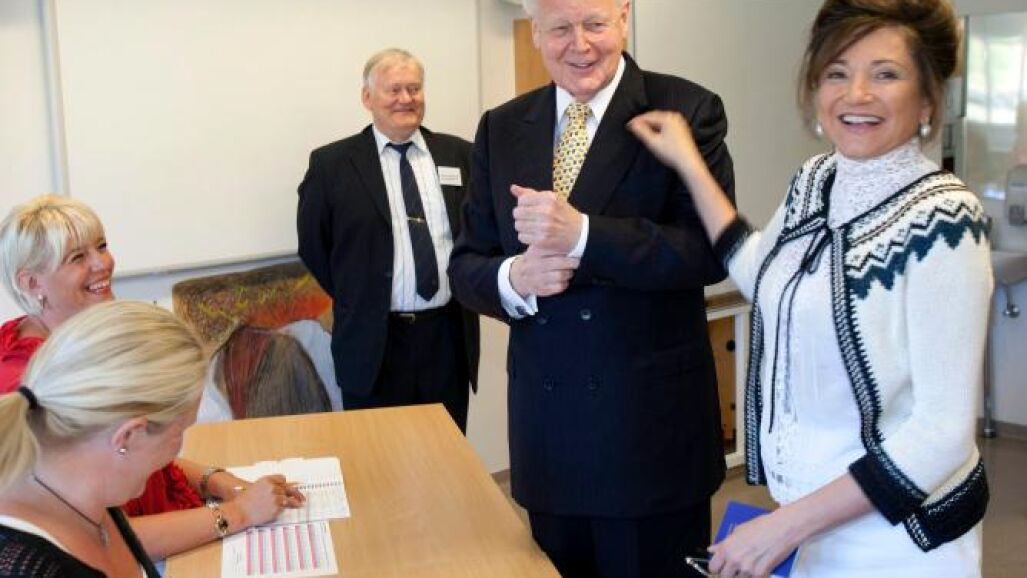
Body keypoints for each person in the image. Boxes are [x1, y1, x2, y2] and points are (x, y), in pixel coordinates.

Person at [628, 1, 989, 576]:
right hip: (808, 525)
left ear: (927, 99)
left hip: (895, 541)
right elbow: (761, 272)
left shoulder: (943, 219)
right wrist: (690, 164)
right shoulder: (816, 179)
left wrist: (783, 528)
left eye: (886, 74)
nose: (857, 94)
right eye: (837, 72)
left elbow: (941, 434)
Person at [447, 0, 734, 575]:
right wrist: (514, 278)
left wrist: (583, 234)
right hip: (549, 438)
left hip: (648, 435)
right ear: (535, 32)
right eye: (559, 28)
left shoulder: (684, 109)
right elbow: (466, 265)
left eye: (595, 24)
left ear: (624, 17)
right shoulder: (502, 127)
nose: (579, 45)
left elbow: (708, 252)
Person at [0, 195, 304, 561]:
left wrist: (217, 481)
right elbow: (97, 535)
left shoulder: (82, 338)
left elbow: (134, 447)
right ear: (31, 282)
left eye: (101, 246)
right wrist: (238, 513)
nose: (102, 264)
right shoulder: (28, 384)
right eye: (77, 257)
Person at [297, 48, 480, 431]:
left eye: (414, 88)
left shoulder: (460, 155)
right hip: (372, 345)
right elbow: (314, 247)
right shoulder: (332, 165)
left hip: (446, 338)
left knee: (445, 450)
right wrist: (360, 295)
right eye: (394, 89)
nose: (406, 99)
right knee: (378, 454)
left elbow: (479, 232)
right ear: (368, 98)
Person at [0, 301, 207, 576]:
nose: (178, 448)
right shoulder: (28, 566)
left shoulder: (84, 490)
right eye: (179, 431)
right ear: (129, 436)